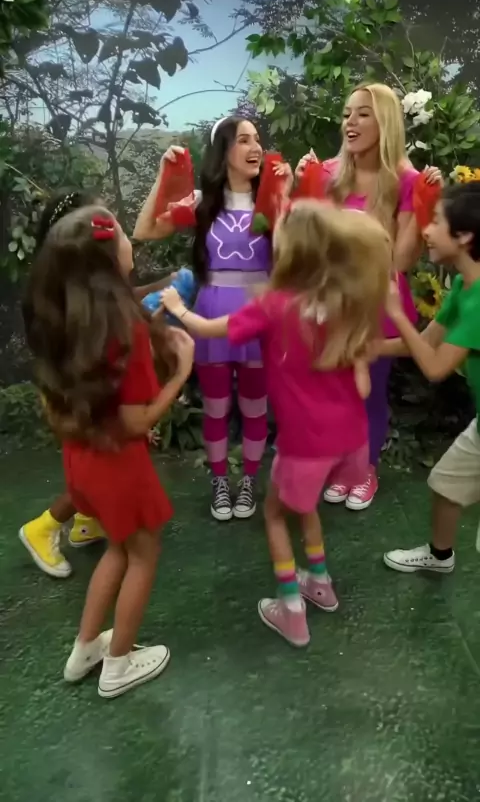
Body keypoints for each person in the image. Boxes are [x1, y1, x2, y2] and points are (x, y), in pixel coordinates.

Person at [161, 200, 392, 646]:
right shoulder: (345, 302)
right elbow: (362, 384)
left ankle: (291, 610)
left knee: (274, 515)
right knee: (305, 508)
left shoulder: (274, 306)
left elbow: (209, 330)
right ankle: (319, 582)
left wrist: (177, 306)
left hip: (305, 444)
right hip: (352, 442)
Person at [24, 204, 194, 697]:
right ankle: (118, 663)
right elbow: (137, 420)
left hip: (83, 461)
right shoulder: (124, 329)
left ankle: (86, 648)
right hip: (120, 466)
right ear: (106, 258)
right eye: (122, 232)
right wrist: (181, 372)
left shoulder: (68, 321)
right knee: (143, 553)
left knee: (119, 548)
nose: (130, 241)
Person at [134, 117, 291, 522]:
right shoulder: (202, 203)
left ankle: (249, 481)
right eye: (244, 140)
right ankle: (220, 481)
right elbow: (144, 230)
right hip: (211, 311)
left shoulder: (271, 202)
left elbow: (294, 259)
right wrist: (163, 176)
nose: (255, 147)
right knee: (217, 408)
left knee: (255, 408)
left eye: (258, 139)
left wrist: (287, 197)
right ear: (224, 151)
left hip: (259, 317)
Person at [295, 82, 442, 510]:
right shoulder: (326, 173)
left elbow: (403, 259)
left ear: (385, 122)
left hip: (377, 302)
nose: (350, 122)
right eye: (346, 114)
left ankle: (365, 468)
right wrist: (299, 189)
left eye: (362, 114)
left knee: (367, 391)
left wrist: (425, 202)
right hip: (327, 300)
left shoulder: (406, 181)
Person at [20, 190, 178, 579]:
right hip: (86, 408)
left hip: (86, 405)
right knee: (98, 467)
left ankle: (85, 521)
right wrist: (176, 375)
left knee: (92, 470)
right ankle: (44, 526)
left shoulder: (72, 292)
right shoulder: (72, 303)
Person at [380, 181, 480, 574]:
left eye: (436, 221)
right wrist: (366, 349)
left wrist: (396, 313)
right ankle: (440, 557)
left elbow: (436, 368)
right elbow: (424, 343)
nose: (426, 230)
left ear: (465, 235)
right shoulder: (465, 285)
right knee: (444, 484)